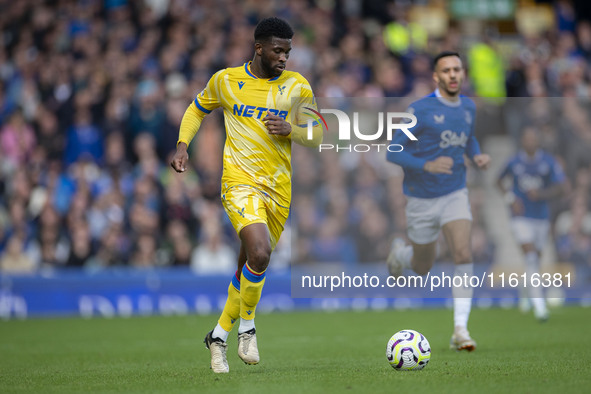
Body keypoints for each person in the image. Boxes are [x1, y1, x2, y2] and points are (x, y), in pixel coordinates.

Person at [170, 17, 322, 373]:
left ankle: (218, 335)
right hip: (239, 181)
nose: (284, 57)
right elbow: (197, 108)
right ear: (258, 48)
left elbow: (317, 135)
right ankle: (248, 329)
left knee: (248, 267)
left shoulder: (298, 87)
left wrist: (291, 130)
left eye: (288, 51)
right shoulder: (226, 80)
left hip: (278, 188)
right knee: (261, 252)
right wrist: (182, 145)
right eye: (277, 50)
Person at [386, 51, 490, 351]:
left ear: (463, 73)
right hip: (421, 199)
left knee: (462, 253)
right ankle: (401, 255)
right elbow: (393, 150)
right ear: (436, 76)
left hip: (455, 192)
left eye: (457, 69)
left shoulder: (468, 107)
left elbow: (468, 139)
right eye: (446, 70)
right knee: (422, 266)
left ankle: (461, 330)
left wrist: (476, 155)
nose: (453, 75)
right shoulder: (419, 110)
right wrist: (426, 165)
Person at [496, 127, 566, 321]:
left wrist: (541, 194)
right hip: (520, 217)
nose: (530, 142)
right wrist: (511, 199)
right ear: (522, 141)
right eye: (526, 139)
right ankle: (540, 307)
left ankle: (525, 293)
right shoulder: (513, 161)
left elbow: (561, 187)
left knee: (535, 259)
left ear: (537, 141)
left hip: (541, 217)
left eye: (533, 139)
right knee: (531, 257)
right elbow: (498, 181)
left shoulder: (548, 162)